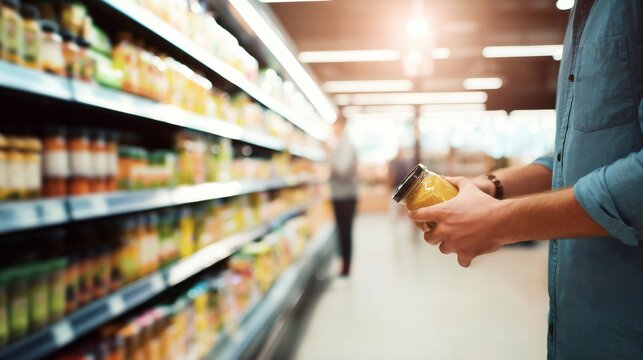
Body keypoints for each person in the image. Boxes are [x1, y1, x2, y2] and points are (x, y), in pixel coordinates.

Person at [407, 1, 642, 359]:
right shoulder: (583, 15)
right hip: (577, 332)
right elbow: (571, 156)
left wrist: (499, 222)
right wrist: (494, 187)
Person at [329, 116, 358, 277]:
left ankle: (346, 268)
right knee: (342, 232)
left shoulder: (345, 146)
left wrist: (330, 155)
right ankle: (343, 265)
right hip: (340, 195)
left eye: (335, 125)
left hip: (345, 196)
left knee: (345, 232)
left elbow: (342, 171)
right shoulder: (341, 145)